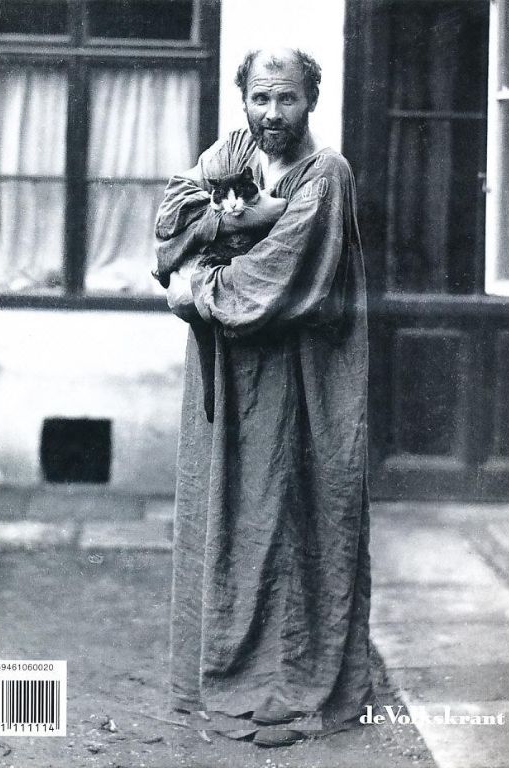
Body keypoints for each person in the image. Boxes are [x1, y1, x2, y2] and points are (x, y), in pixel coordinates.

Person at [154, 47, 372, 747]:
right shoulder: (234, 150)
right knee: (227, 513)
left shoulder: (326, 173)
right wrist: (233, 224)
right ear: (243, 99)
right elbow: (170, 217)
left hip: (297, 376)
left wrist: (198, 285)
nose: (272, 113)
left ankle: (287, 688)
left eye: (287, 99)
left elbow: (277, 276)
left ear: (311, 101)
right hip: (226, 371)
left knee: (289, 516)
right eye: (260, 98)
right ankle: (225, 670)